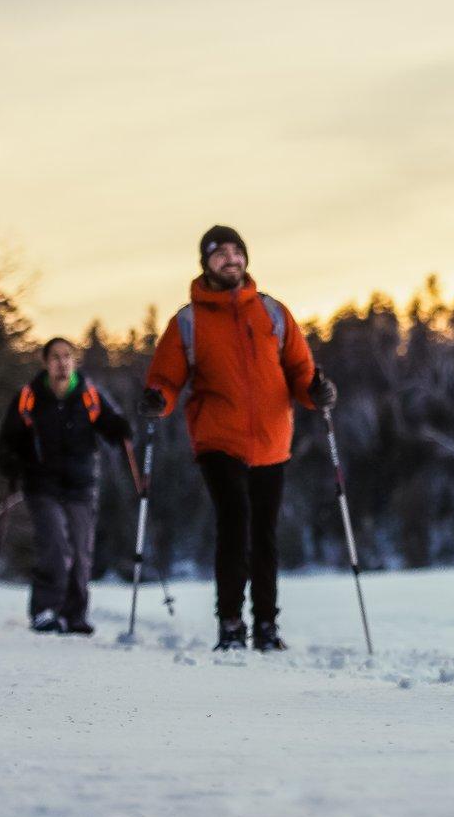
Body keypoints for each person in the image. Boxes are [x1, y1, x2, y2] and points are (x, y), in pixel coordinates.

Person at [141, 225, 336, 652]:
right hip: (218, 441)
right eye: (220, 253)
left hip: (271, 441)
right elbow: (166, 380)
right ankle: (230, 623)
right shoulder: (188, 322)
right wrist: (159, 399)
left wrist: (316, 393)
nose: (231, 259)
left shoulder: (273, 313)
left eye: (236, 251)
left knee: (264, 533)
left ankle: (266, 625)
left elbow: (301, 373)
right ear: (205, 263)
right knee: (235, 525)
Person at [0, 337, 136, 635]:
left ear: (74, 360)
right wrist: (9, 461)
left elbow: (112, 426)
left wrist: (121, 428)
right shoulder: (29, 396)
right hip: (41, 483)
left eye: (67, 356)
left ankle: (75, 614)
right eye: (56, 357)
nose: (62, 362)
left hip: (80, 485)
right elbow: (8, 438)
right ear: (46, 363)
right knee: (55, 545)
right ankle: (45, 610)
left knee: (82, 551)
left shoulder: (89, 395)